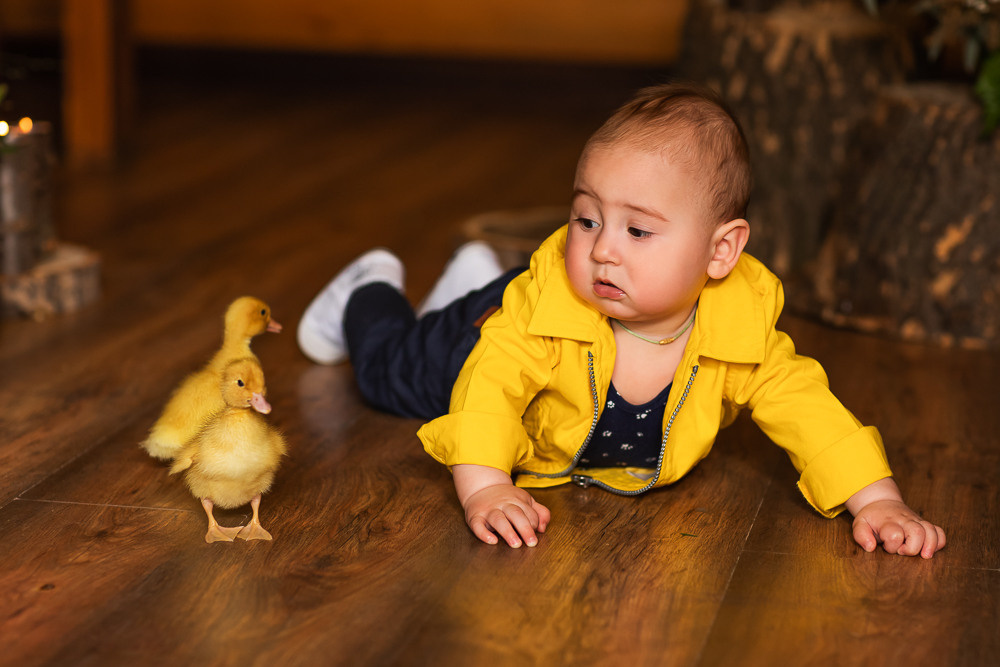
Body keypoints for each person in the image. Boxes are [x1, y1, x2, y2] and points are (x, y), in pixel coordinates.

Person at [298, 83, 946, 558]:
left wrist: (877, 498)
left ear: (721, 251)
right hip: (494, 325)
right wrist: (485, 486)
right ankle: (368, 287)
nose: (604, 247)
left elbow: (808, 405)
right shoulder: (553, 306)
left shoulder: (738, 330)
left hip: (509, 302)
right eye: (587, 219)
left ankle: (470, 278)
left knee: (459, 327)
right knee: (388, 374)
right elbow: (491, 382)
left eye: (638, 229)